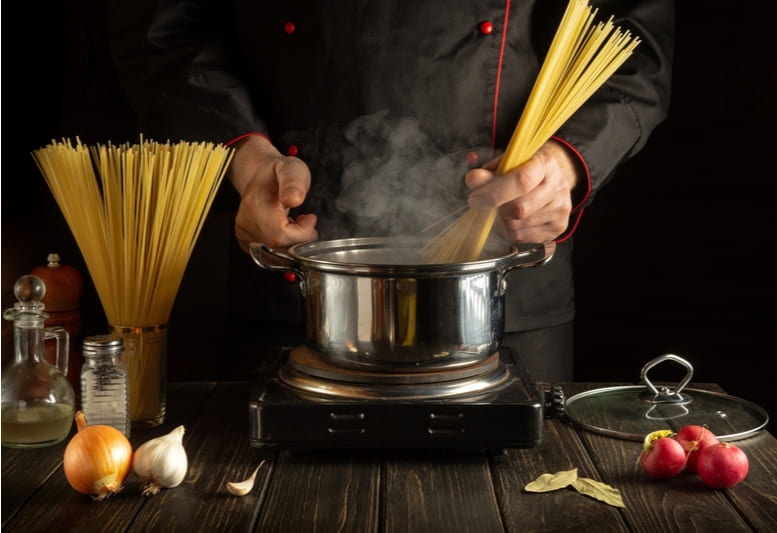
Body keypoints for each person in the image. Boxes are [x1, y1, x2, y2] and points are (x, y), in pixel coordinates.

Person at [107, 0, 674, 383]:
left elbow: (635, 48)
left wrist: (566, 164)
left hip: (502, 282)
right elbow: (164, 29)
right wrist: (245, 155)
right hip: (293, 270)